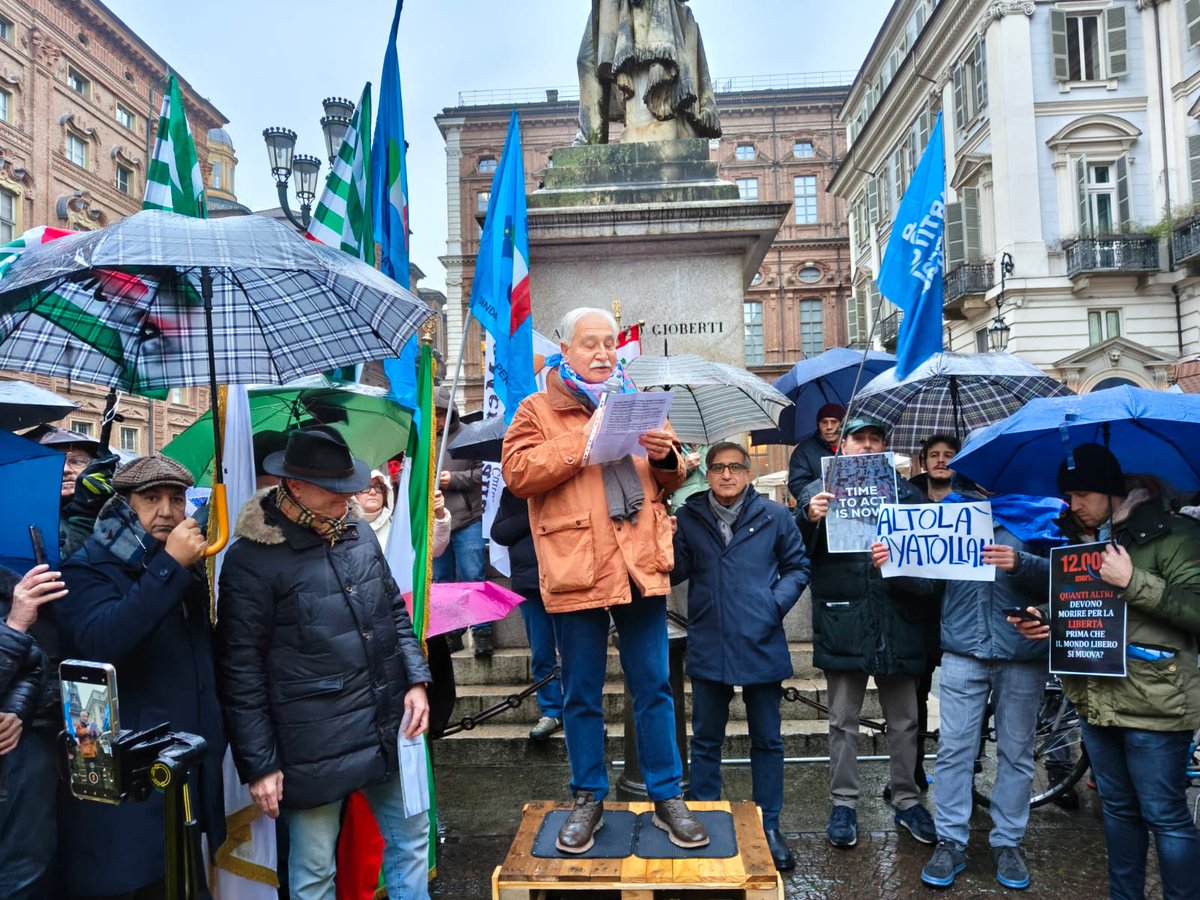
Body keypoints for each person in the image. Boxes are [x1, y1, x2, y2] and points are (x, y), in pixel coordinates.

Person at [502, 306, 709, 854]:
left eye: (609, 343)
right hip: (577, 567)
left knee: (655, 686)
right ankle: (587, 798)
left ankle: (667, 796)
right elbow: (519, 475)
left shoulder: (638, 400)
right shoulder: (535, 408)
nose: (601, 354)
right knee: (582, 694)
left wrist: (668, 460)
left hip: (639, 564)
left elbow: (668, 480)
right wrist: (583, 439)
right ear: (564, 351)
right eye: (588, 344)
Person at [216, 426, 433, 900]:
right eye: (335, 489)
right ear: (293, 486)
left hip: (386, 722)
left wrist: (416, 678)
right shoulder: (250, 561)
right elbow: (240, 671)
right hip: (312, 741)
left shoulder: (356, 532)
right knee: (315, 872)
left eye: (348, 483)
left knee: (412, 842)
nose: (349, 496)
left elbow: (393, 611)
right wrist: (259, 765)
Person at [1012, 444, 1200, 900]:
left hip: (1156, 702)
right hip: (1095, 701)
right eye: (1067, 495)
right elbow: (1091, 616)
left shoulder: (1176, 534)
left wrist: (1132, 581)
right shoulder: (1082, 542)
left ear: (1111, 490)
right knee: (1118, 813)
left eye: (1080, 493)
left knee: (1166, 815)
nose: (1071, 504)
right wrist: (1049, 624)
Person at [57, 454, 226, 900]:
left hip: (181, 773)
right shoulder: (87, 567)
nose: (167, 511)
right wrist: (169, 567)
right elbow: (103, 641)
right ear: (124, 505)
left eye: (176, 498)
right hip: (128, 794)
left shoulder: (182, 567)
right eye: (150, 499)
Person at [798, 415, 939, 849]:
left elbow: (930, 563)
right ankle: (843, 803)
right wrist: (810, 518)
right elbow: (795, 553)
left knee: (905, 720)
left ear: (885, 448)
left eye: (875, 439)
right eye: (858, 438)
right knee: (842, 719)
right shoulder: (817, 493)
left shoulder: (910, 496)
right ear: (842, 446)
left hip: (898, 621)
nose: (866, 446)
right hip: (846, 620)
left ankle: (907, 798)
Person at [671, 441, 810, 872]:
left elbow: (798, 566)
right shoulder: (691, 516)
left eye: (734, 467)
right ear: (707, 474)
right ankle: (707, 817)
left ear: (747, 473)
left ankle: (769, 824)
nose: (726, 475)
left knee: (767, 739)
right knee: (706, 740)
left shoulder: (775, 515)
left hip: (760, 638)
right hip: (710, 638)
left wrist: (772, 605)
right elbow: (676, 572)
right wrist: (664, 534)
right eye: (717, 468)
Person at [919, 487, 1062, 891]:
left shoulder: (1042, 511)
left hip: (1022, 651)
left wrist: (1021, 562)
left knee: (1016, 751)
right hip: (964, 648)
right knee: (954, 749)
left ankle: (1008, 842)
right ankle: (950, 840)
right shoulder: (949, 516)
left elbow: (1067, 577)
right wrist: (894, 564)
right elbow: (928, 580)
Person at [0, 563, 68, 899]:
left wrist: (16, 709)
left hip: (19, 770)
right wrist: (13, 627)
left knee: (28, 876)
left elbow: (32, 664)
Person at [906, 434, 962, 794]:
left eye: (949, 456)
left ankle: (964, 772)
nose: (941, 461)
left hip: (961, 606)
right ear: (923, 461)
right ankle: (912, 769)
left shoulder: (974, 496)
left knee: (962, 696)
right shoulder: (907, 495)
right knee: (916, 696)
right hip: (919, 611)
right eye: (934, 456)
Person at [490, 486, 565, 741]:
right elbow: (499, 532)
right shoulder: (513, 492)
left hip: (567, 579)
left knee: (576, 652)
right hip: (529, 583)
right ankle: (552, 710)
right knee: (542, 652)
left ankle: (583, 712)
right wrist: (533, 514)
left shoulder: (564, 484)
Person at [432, 388, 489, 656]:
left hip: (467, 518)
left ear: (451, 413)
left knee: (472, 575)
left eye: (441, 414)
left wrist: (453, 480)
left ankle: (482, 632)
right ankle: (450, 634)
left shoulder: (470, 434)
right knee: (442, 581)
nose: (438, 420)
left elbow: (482, 473)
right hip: (436, 520)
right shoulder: (423, 440)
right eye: (434, 415)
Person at [29, 427, 119, 560]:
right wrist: (85, 513)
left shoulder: (120, 509)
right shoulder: (31, 519)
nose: (65, 470)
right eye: (54, 463)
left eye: (76, 461)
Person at [357, 468, 452, 558]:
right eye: (366, 487)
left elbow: (434, 548)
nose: (373, 492)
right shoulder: (344, 527)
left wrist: (440, 515)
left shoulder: (399, 526)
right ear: (353, 495)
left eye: (378, 487)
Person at [787, 403, 844, 503]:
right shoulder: (803, 451)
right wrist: (824, 497)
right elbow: (797, 485)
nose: (829, 427)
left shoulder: (855, 446)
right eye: (824, 422)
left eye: (834, 422)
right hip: (821, 510)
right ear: (818, 425)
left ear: (843, 424)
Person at [910, 434, 960, 504]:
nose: (940, 460)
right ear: (924, 464)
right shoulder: (906, 503)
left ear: (958, 464)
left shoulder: (973, 502)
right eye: (934, 455)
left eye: (948, 455)